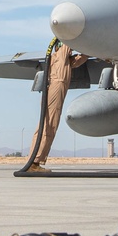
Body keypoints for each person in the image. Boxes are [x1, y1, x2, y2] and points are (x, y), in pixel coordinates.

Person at [27, 39, 88, 172]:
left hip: (57, 88)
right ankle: (35, 161)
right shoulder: (60, 55)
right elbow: (69, 38)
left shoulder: (64, 61)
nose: (71, 50)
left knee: (48, 124)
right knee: (49, 125)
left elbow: (77, 61)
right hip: (56, 88)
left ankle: (34, 161)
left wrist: (88, 53)